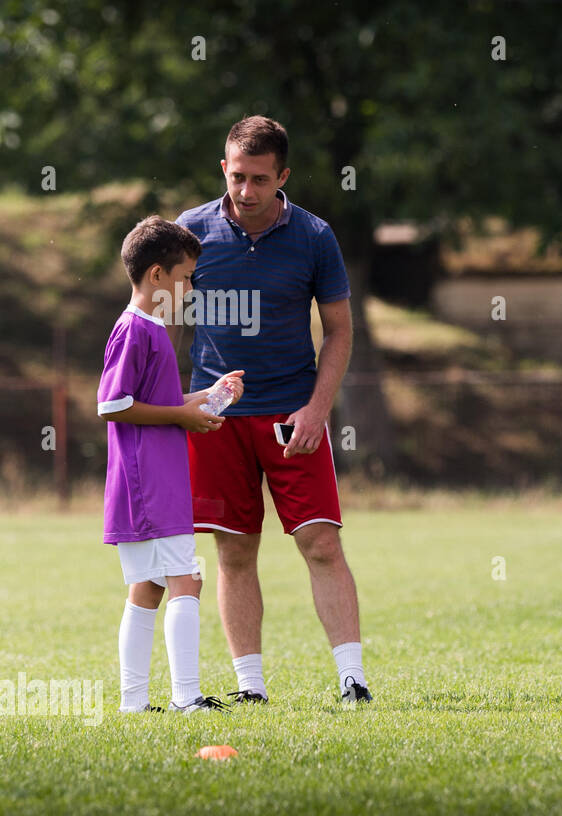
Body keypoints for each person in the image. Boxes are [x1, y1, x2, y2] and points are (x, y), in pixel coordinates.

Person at [177, 115, 371, 704]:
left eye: (260, 179)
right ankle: (250, 688)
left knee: (321, 543)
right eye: (237, 177)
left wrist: (317, 409)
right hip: (216, 418)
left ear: (282, 175)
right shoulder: (189, 233)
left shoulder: (314, 237)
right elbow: (155, 322)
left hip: (292, 417)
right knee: (234, 549)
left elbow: (338, 331)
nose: (246, 191)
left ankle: (352, 680)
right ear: (223, 169)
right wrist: (176, 406)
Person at [98, 216, 244, 713]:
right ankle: (187, 697)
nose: (189, 287)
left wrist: (205, 397)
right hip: (147, 481)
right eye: (185, 277)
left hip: (156, 480)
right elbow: (113, 404)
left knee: (151, 585)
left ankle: (134, 704)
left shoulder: (154, 328)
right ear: (157, 276)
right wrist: (182, 415)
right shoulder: (134, 328)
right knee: (187, 578)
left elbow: (156, 400)